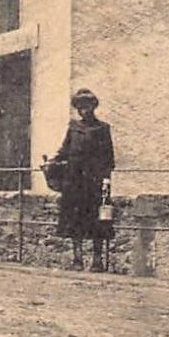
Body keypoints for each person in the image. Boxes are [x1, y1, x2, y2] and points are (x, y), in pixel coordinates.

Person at [51, 88, 115, 271]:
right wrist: (53, 161)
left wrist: (106, 180)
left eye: (86, 106)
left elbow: (108, 157)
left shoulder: (103, 129)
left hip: (94, 181)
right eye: (79, 107)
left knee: (98, 220)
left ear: (93, 107)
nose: (82, 110)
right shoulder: (73, 128)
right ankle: (77, 259)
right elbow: (64, 150)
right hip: (74, 180)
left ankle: (97, 261)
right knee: (74, 219)